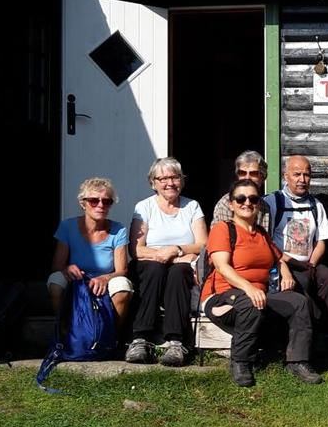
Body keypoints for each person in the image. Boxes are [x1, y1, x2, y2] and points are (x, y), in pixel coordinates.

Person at [200, 179, 321, 386]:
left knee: (299, 302)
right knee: (251, 304)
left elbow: (278, 257)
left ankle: (297, 360)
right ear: (231, 204)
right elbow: (222, 267)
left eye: (253, 198)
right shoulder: (223, 229)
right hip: (222, 297)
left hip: (259, 296)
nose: (247, 203)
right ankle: (241, 362)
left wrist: (286, 272)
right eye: (240, 198)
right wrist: (248, 287)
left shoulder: (261, 234)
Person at [126, 157, 208, 366]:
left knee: (178, 273)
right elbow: (136, 249)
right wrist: (162, 255)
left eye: (174, 177)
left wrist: (176, 250)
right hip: (152, 264)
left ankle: (176, 342)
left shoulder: (192, 206)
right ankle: (140, 339)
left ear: (182, 180)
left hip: (181, 264)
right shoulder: (144, 207)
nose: (169, 183)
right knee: (155, 269)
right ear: (153, 182)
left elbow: (202, 244)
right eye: (162, 178)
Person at [267, 155, 328, 337]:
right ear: (286, 176)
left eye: (306, 175)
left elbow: (322, 240)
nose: (302, 180)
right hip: (283, 263)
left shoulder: (316, 205)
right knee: (302, 282)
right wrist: (286, 262)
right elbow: (266, 242)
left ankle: (325, 332)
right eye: (297, 174)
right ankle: (306, 334)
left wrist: (312, 264)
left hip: (310, 262)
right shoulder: (272, 202)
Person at [48, 177, 133, 333]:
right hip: (77, 279)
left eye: (106, 201)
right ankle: (65, 333)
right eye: (94, 200)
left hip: (104, 280)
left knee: (122, 286)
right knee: (55, 282)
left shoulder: (118, 229)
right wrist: (68, 268)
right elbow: (57, 266)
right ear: (83, 203)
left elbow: (122, 270)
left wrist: (105, 278)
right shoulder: (67, 226)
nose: (100, 205)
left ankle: (112, 337)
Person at [211, 150, 270, 229]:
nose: (247, 177)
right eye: (242, 173)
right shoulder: (226, 203)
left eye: (253, 173)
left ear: (262, 177)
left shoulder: (265, 207)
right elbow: (224, 237)